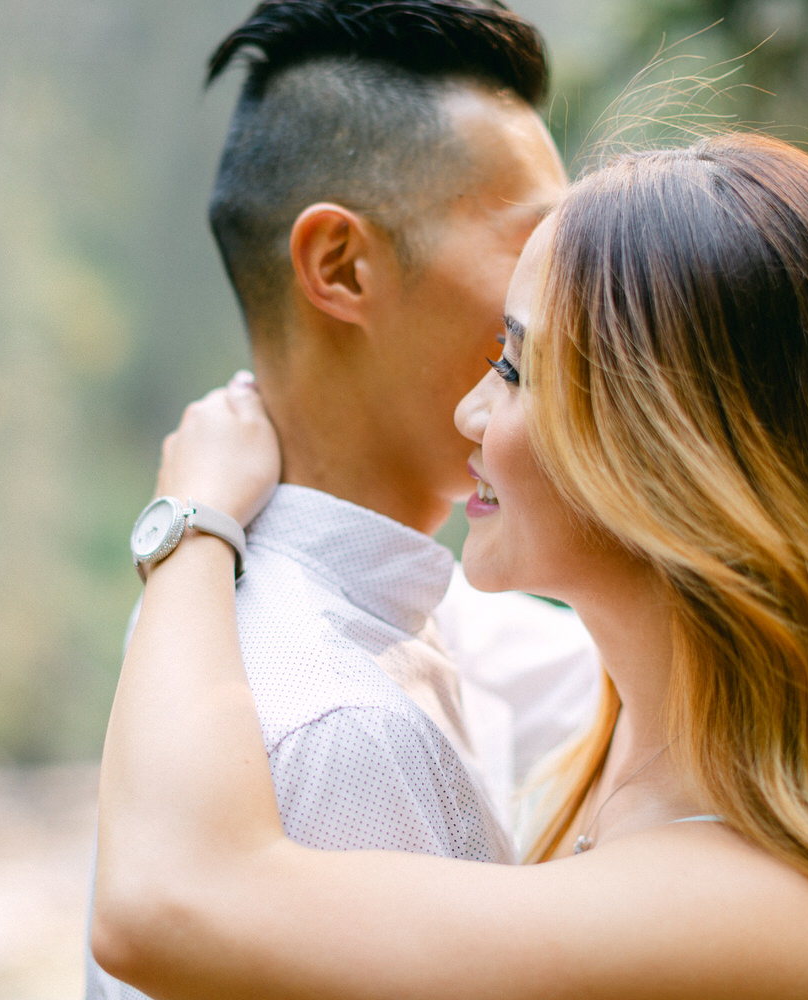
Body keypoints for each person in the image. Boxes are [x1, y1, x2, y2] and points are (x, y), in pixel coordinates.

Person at [92, 131, 808, 1000]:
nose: (471, 412)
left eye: (514, 366)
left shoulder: (767, 915)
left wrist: (194, 523)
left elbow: (168, 906)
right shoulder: (626, 761)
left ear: (668, 450)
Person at [86, 2, 606, 996]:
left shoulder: (261, 612)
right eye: (537, 245)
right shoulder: (335, 721)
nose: (575, 296)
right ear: (341, 266)